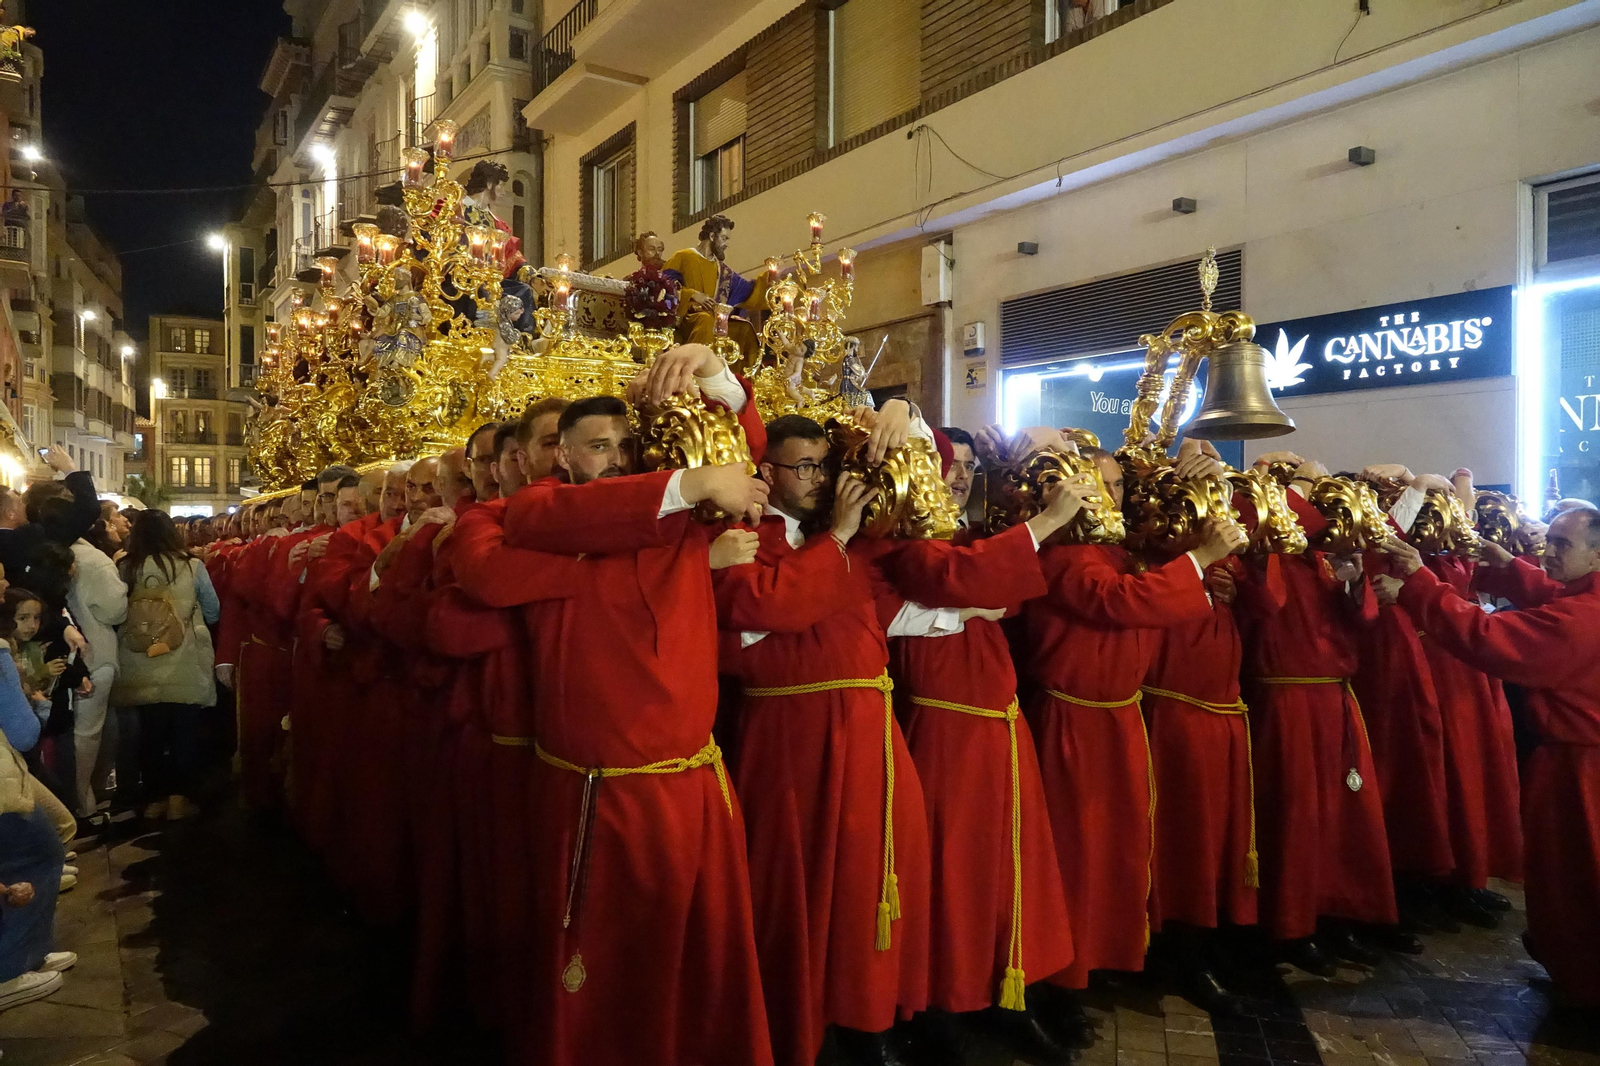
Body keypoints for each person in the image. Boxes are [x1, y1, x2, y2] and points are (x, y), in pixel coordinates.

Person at [492, 394, 774, 1066]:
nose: (617, 458)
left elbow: (744, 445)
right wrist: (693, 492)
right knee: (607, 979)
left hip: (689, 781)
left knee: (694, 964)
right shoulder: (538, 507)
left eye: (625, 445)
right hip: (601, 791)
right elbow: (570, 520)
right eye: (599, 446)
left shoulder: (671, 522)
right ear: (562, 455)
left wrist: (709, 369)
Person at [714, 407, 944, 1066]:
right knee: (800, 889)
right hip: (790, 740)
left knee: (876, 878)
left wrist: (899, 414)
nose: (820, 480)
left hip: (868, 732)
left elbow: (930, 479)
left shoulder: (845, 538)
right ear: (767, 472)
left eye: (825, 465)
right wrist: (838, 534)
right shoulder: (742, 537)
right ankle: (804, 1026)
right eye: (806, 467)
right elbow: (769, 606)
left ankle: (871, 1015)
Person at [1022, 445, 1243, 1001]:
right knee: (1077, 852)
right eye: (1098, 483)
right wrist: (1198, 560)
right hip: (1074, 721)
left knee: (1116, 850)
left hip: (1119, 719)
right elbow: (1120, 600)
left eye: (1118, 484)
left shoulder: (1118, 549)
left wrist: (1209, 476)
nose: (1111, 495)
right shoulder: (1065, 553)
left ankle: (1105, 959)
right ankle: (1063, 979)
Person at [1378, 508, 1600, 1009]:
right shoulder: (1585, 597)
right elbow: (1551, 593)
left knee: (1577, 877)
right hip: (1575, 759)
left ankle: (1587, 988)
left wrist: (1419, 581)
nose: (1548, 552)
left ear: (1597, 555)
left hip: (1582, 768)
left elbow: (1487, 636)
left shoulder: (1583, 619)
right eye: (1550, 540)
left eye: (1562, 544)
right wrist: (1506, 565)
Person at [113, 510, 221, 821]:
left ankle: (154, 799)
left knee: (150, 734)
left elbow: (116, 612)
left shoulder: (126, 567)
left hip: (140, 662)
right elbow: (213, 610)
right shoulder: (191, 566)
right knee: (184, 733)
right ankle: (179, 799)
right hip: (184, 661)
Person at [67, 526, 127, 820]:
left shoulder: (52, 550)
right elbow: (115, 610)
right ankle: (83, 800)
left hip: (72, 655)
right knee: (88, 734)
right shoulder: (93, 559)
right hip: (94, 654)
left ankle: (83, 796)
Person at [663, 215, 769, 364]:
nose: (726, 244)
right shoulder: (683, 257)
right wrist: (692, 294)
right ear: (712, 236)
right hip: (687, 317)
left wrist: (771, 277)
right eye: (724, 238)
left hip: (714, 320)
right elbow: (665, 285)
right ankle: (695, 369)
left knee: (743, 328)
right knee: (705, 320)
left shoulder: (723, 271)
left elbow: (751, 292)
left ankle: (740, 376)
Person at [466, 421, 501, 502]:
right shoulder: (459, 510)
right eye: (485, 460)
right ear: (468, 467)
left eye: (501, 460)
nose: (494, 471)